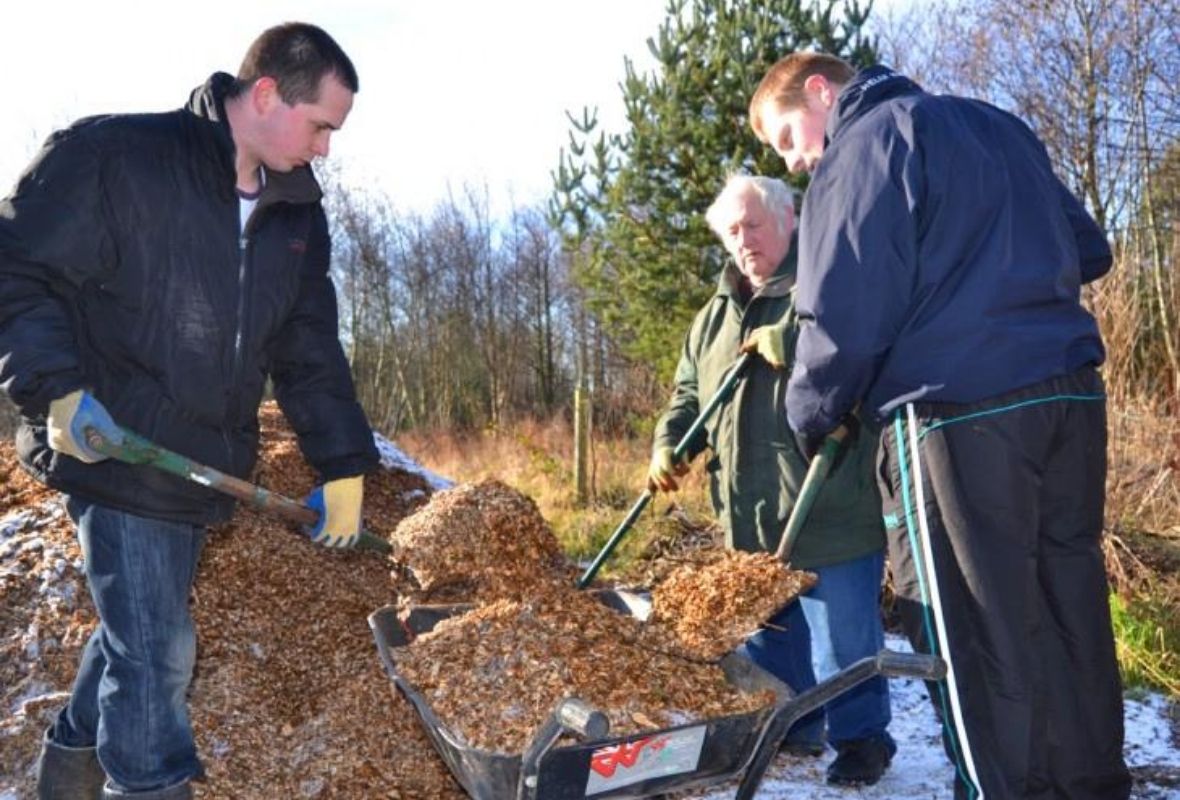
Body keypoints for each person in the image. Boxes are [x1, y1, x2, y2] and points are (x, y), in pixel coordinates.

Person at [0, 23, 379, 800]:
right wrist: (57, 391)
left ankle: (66, 768)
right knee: (159, 651)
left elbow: (307, 346)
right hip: (115, 442)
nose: (326, 150)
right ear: (267, 93)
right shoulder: (117, 158)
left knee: (138, 627)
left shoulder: (295, 214)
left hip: (199, 463)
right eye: (321, 127)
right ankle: (147, 785)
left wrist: (343, 463)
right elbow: (18, 269)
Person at [748, 52, 1132, 800]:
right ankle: (1089, 786)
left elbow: (845, 312)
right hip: (1069, 399)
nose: (796, 160)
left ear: (821, 92)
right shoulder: (997, 126)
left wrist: (811, 412)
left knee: (976, 626)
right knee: (1066, 605)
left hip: (961, 408)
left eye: (788, 138)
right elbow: (1091, 248)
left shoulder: (865, 145)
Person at [647, 173, 895, 786]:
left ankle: (863, 741)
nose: (743, 240)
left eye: (753, 224)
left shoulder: (826, 287)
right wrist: (668, 444)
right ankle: (792, 727)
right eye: (732, 231)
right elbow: (688, 395)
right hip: (747, 513)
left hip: (827, 505)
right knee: (768, 638)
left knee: (844, 642)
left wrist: (791, 338)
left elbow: (863, 349)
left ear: (788, 220)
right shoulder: (711, 320)